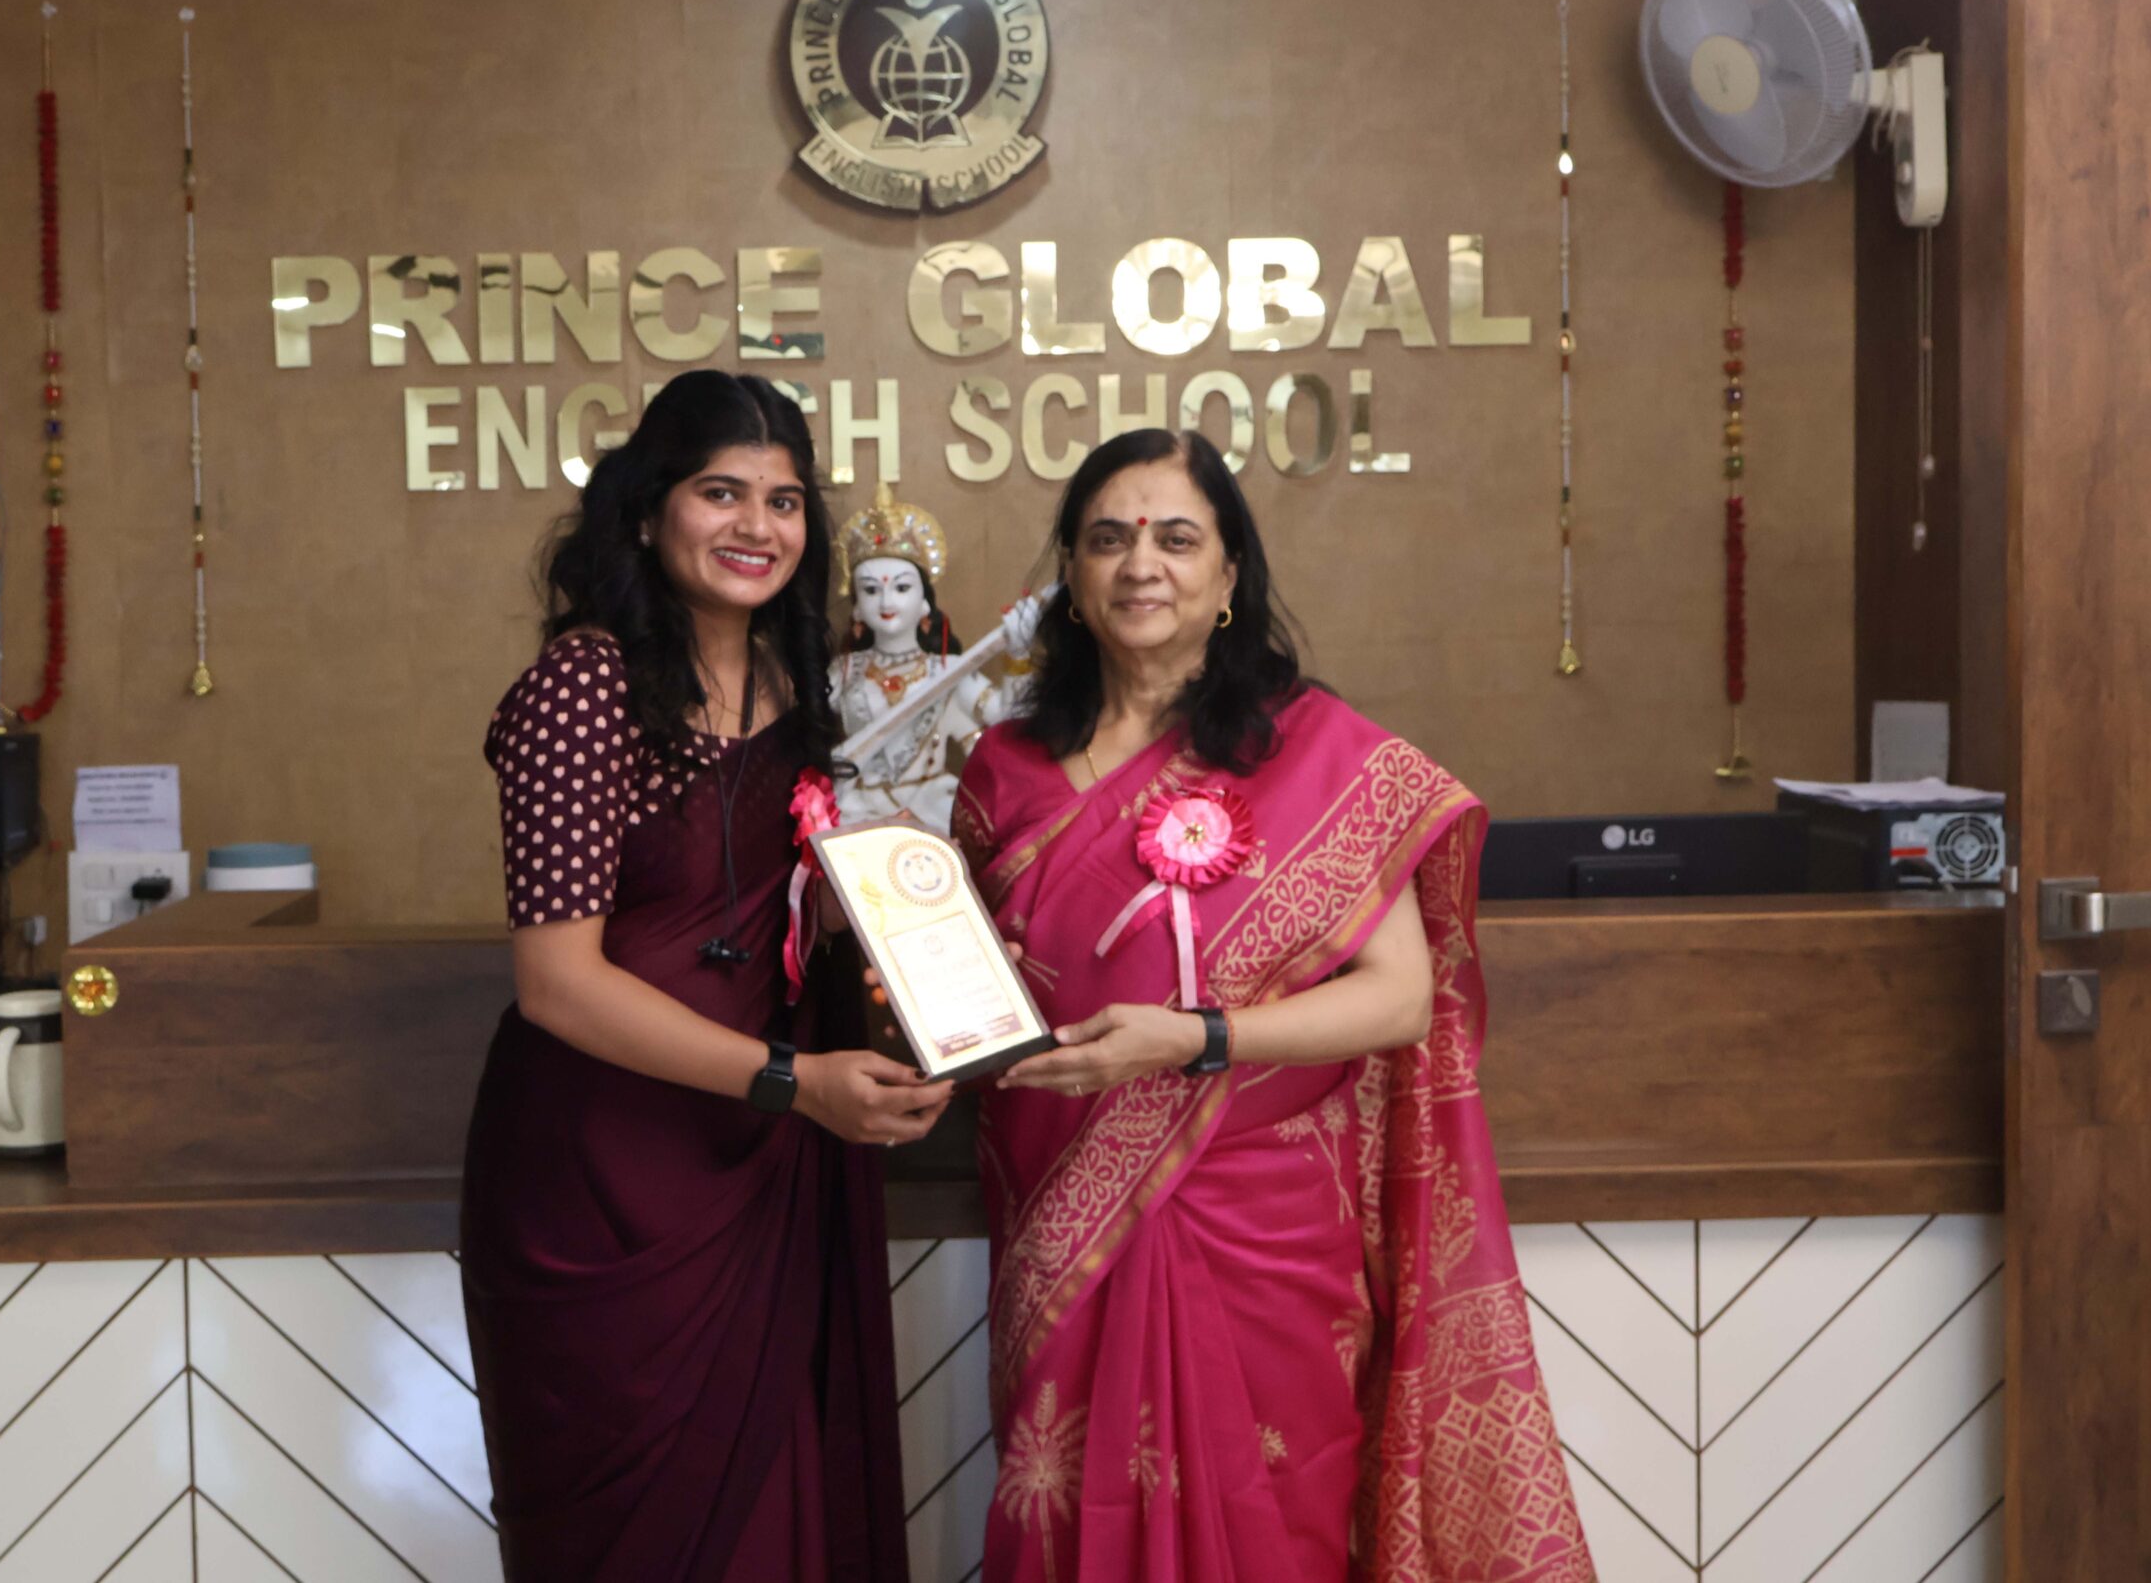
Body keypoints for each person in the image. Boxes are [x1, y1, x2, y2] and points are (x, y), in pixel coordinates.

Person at [942, 429, 1594, 1581]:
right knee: (1066, 1518)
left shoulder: (1320, 756)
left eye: (1176, 538)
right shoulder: (1005, 767)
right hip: (1060, 1208)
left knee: (1272, 1525)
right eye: (1107, 539)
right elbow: (980, 984)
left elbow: (1399, 1000)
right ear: (1072, 579)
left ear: (1229, 574)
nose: (1141, 564)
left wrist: (1198, 1041)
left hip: (1263, 1226)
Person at [459, 370, 949, 1582]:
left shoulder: (794, 683)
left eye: (783, 502)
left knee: (781, 1513)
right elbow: (556, 983)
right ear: (645, 511)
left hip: (767, 1163)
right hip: (605, 1177)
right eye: (720, 492)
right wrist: (794, 1083)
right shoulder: (585, 685)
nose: (756, 527)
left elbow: (786, 910)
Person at [829, 481, 1029, 833]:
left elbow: (1009, 719)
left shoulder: (949, 670)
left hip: (931, 813)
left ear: (924, 602)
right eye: (871, 590)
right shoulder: (843, 671)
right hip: (857, 814)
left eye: (902, 587)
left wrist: (1018, 657)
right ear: (856, 608)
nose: (886, 602)